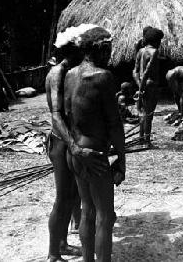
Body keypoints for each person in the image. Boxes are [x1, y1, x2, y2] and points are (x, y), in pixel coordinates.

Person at [64, 26, 125, 262]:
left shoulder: (69, 76)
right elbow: (114, 124)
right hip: (96, 154)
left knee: (87, 211)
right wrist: (122, 158)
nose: (111, 55)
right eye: (109, 49)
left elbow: (66, 117)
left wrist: (75, 149)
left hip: (76, 152)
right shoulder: (103, 77)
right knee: (105, 216)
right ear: (100, 49)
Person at [45, 34, 83, 262]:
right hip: (61, 142)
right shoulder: (58, 73)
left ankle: (62, 244)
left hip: (65, 140)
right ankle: (53, 253)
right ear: (73, 53)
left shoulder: (67, 72)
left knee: (70, 197)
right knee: (62, 199)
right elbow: (57, 116)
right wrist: (73, 144)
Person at [133, 27, 163, 145]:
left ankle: (141, 138)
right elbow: (147, 72)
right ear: (156, 41)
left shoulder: (140, 51)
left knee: (142, 112)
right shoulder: (154, 52)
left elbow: (135, 71)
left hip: (141, 84)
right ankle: (147, 140)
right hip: (150, 85)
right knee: (149, 114)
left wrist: (139, 85)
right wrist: (142, 89)